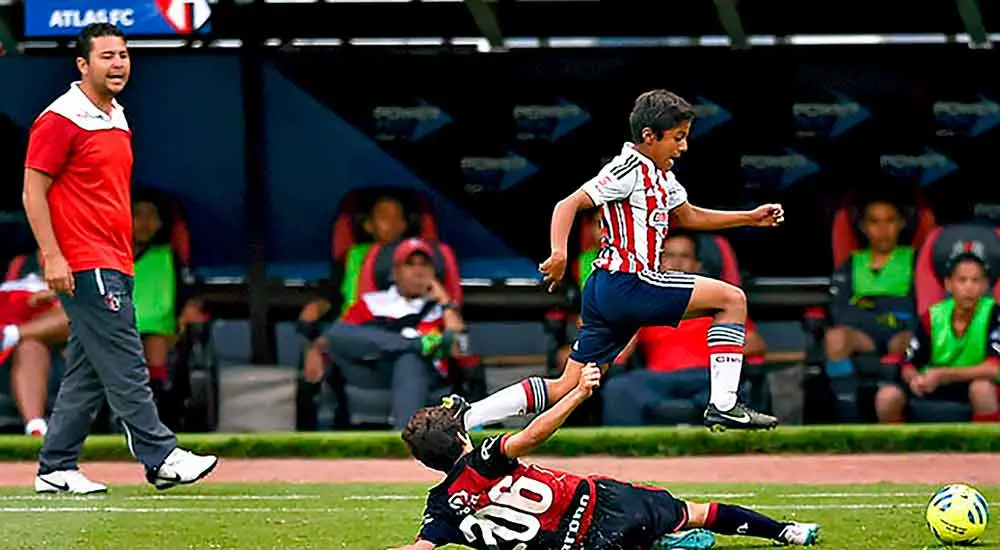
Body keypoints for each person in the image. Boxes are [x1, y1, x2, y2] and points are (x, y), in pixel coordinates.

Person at [21, 23, 217, 495]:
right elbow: (33, 190)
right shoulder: (59, 118)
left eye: (123, 55)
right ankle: (160, 454)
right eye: (107, 56)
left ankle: (56, 466)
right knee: (127, 360)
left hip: (116, 257)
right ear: (82, 65)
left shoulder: (116, 115)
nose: (118, 64)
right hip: (85, 260)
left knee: (88, 370)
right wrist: (52, 256)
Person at [538, 89, 783, 431]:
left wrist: (749, 218)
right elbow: (567, 204)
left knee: (566, 384)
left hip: (616, 288)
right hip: (629, 281)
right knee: (732, 298)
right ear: (649, 136)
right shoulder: (627, 169)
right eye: (678, 138)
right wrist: (560, 253)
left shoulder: (661, 176)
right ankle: (724, 405)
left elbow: (688, 216)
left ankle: (471, 415)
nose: (684, 147)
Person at [389, 365, 820, 550]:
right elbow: (532, 434)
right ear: (461, 436)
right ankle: (786, 533)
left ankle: (662, 543)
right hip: (600, 504)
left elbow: (421, 547)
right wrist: (577, 393)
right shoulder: (484, 455)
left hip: (576, 547)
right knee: (698, 512)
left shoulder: (440, 506)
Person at [304, 238, 466, 429]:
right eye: (410, 264)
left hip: (422, 377)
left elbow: (457, 347)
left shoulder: (441, 310)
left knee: (410, 358)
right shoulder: (371, 302)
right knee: (335, 332)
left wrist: (445, 301)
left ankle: (404, 438)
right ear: (395, 272)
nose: (418, 271)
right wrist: (314, 350)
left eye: (425, 265)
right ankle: (416, 343)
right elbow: (339, 337)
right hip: (371, 373)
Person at [875, 252, 1000, 423]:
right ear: (948, 284)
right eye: (962, 280)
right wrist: (915, 380)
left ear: (985, 286)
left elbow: (994, 369)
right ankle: (899, 448)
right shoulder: (933, 316)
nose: (969, 287)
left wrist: (944, 374)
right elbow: (909, 364)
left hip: (971, 382)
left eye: (975, 280)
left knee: (982, 389)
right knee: (887, 397)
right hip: (934, 383)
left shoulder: (995, 315)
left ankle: (987, 448)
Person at [825, 198, 916, 382]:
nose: (883, 229)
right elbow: (838, 307)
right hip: (863, 331)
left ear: (901, 224)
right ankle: (846, 405)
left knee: (909, 344)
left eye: (890, 221)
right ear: (863, 227)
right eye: (874, 222)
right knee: (835, 339)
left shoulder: (915, 259)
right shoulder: (852, 263)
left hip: (900, 329)